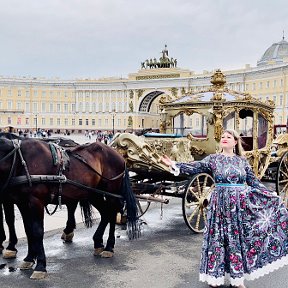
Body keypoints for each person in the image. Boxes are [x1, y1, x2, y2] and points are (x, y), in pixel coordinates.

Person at [161, 129, 288, 288]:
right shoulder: (213, 159)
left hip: (239, 207)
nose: (224, 139)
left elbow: (253, 182)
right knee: (218, 240)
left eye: (228, 137)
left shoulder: (242, 161)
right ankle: (215, 277)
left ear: (235, 142)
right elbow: (195, 167)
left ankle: (238, 279)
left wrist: (270, 195)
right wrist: (174, 164)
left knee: (237, 240)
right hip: (219, 205)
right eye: (222, 137)